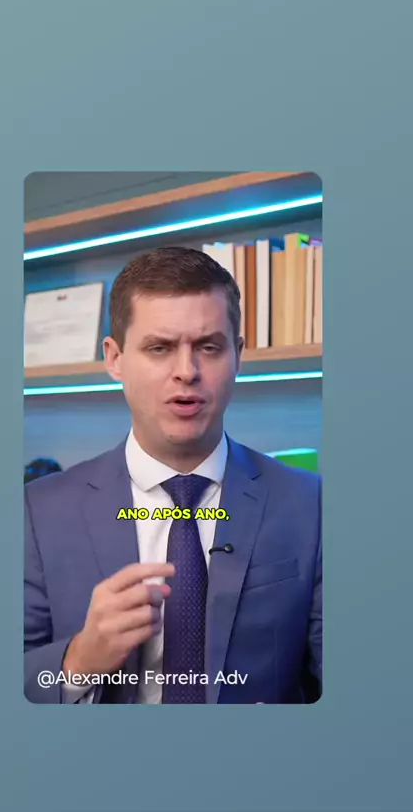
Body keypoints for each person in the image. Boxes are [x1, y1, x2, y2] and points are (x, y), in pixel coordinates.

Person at [24, 246, 322, 705]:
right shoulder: (37, 511)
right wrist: (78, 661)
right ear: (115, 358)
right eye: (159, 348)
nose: (187, 372)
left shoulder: (311, 503)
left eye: (209, 347)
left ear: (238, 355)